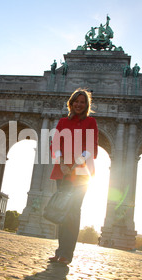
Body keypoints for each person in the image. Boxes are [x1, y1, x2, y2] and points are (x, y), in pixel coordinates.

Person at [48, 88, 99, 265]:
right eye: (76, 101)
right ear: (71, 103)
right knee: (62, 211)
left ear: (86, 105)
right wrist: (62, 163)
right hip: (63, 172)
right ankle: (60, 251)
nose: (79, 104)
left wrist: (76, 164)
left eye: (82, 102)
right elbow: (54, 145)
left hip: (81, 174)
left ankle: (67, 255)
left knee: (73, 212)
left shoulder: (91, 122)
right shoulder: (62, 122)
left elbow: (91, 147)